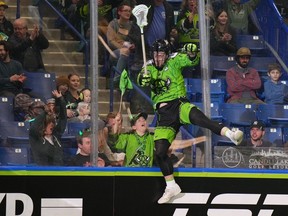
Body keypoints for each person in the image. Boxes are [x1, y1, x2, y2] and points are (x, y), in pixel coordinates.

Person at [137, 39, 244, 204]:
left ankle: (230, 133)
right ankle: (171, 185)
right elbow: (140, 79)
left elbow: (192, 59)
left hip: (179, 104)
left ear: (166, 55)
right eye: (156, 55)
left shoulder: (174, 60)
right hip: (163, 115)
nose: (158, 58)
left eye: (161, 55)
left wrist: (193, 52)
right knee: (159, 152)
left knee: (200, 119)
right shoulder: (148, 68)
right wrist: (142, 80)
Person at [29, 90, 67, 166]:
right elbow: (33, 127)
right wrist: (45, 112)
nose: (52, 125)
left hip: (58, 172)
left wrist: (61, 100)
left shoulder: (56, 135)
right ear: (42, 126)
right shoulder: (36, 138)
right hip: (43, 173)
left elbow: (63, 119)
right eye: (48, 123)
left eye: (52, 123)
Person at [106, 0, 139, 78]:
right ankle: (117, 79)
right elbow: (111, 41)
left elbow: (136, 40)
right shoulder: (113, 24)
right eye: (125, 11)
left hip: (132, 52)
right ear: (119, 12)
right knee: (125, 51)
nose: (128, 13)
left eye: (129, 11)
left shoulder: (133, 25)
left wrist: (133, 45)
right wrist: (122, 48)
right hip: (115, 52)